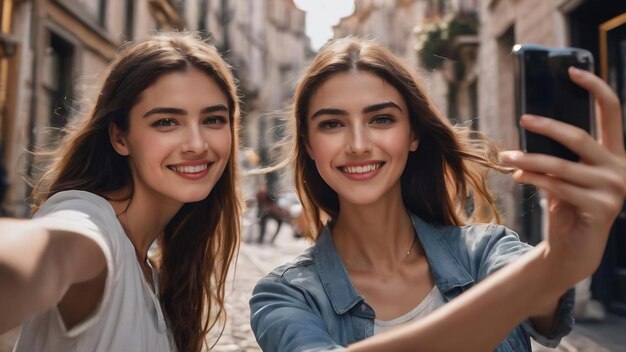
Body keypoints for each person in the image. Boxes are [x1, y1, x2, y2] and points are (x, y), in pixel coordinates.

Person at [249, 37, 626, 351]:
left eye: (381, 119)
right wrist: (549, 267)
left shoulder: (487, 252)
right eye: (332, 124)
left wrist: (558, 261)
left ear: (413, 134)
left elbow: (546, 308)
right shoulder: (283, 295)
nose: (359, 144)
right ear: (310, 145)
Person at [0, 32, 242, 352]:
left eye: (213, 119)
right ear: (120, 138)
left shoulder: (152, 272)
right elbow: (49, 248)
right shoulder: (92, 222)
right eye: (167, 121)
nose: (197, 144)